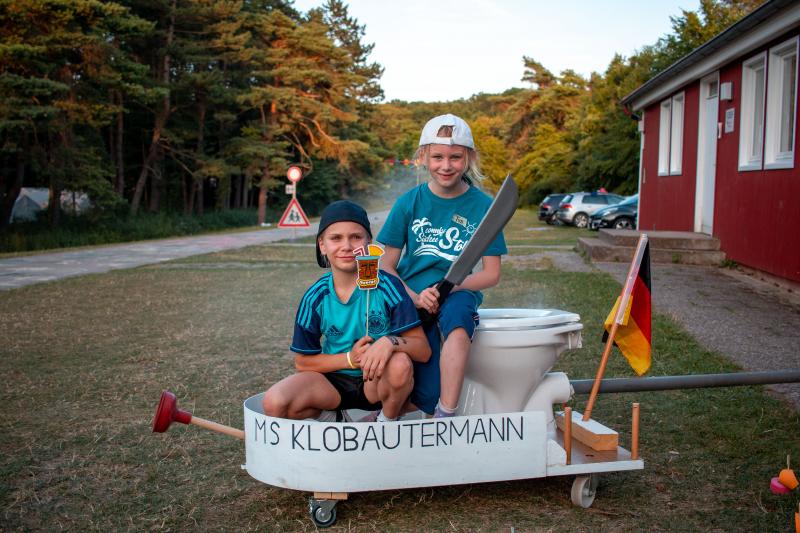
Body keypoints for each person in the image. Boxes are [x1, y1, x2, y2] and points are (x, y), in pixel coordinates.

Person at [378, 114, 508, 418]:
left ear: (469, 158)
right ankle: (387, 410)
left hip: (458, 291)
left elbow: (491, 274)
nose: (446, 165)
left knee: (459, 318)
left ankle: (446, 413)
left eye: (455, 157)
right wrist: (415, 297)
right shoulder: (409, 202)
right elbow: (385, 265)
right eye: (437, 157)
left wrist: (452, 287)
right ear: (423, 157)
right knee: (423, 390)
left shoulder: (483, 206)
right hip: (411, 296)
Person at [262, 200, 431, 423]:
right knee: (275, 402)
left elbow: (422, 350)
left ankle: (385, 422)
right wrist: (350, 359)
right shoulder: (316, 297)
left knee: (400, 364)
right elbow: (303, 362)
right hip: (332, 383)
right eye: (336, 238)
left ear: (369, 243)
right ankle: (335, 419)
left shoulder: (388, 287)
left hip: (377, 381)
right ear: (322, 245)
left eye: (356, 237)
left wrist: (389, 342)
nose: (347, 246)